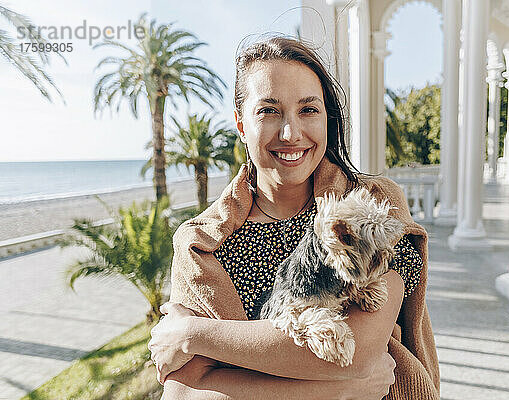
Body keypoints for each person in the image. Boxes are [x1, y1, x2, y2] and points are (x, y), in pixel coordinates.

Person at [148, 36, 440, 400]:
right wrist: (341, 392)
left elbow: (357, 352)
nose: (290, 133)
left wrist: (192, 334)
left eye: (308, 110)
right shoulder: (199, 245)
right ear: (241, 124)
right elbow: (183, 392)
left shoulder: (370, 206)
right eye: (268, 111)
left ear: (327, 119)